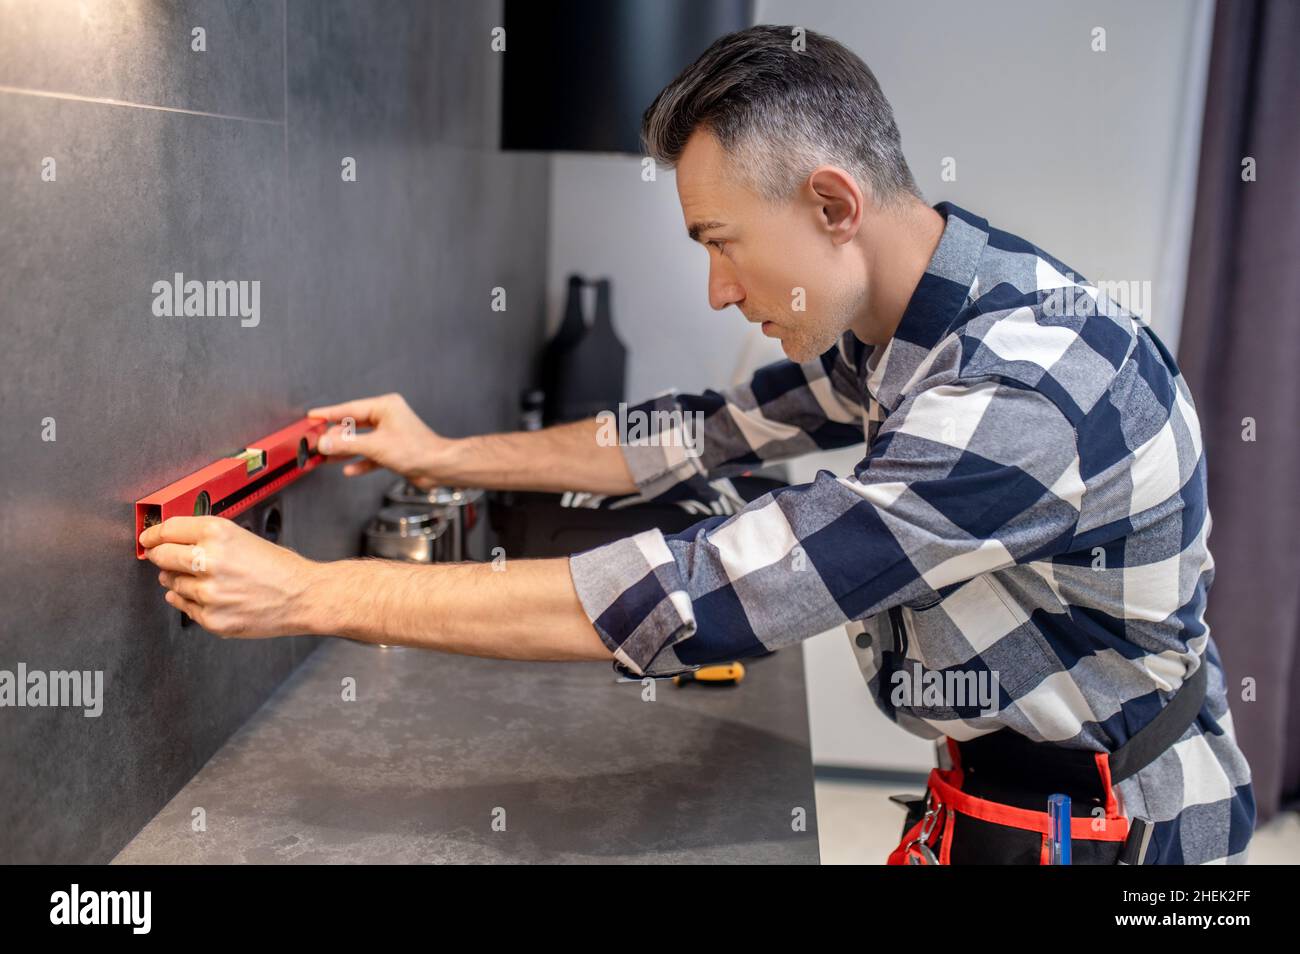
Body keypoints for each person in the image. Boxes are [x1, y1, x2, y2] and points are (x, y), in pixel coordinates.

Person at [139, 25, 1253, 864]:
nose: (718, 291)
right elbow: (693, 435)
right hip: (1009, 792)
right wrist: (441, 456)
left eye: (722, 244)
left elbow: (697, 594)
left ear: (831, 203)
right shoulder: (911, 317)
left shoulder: (1025, 387)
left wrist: (310, 594)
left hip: (1128, 836)